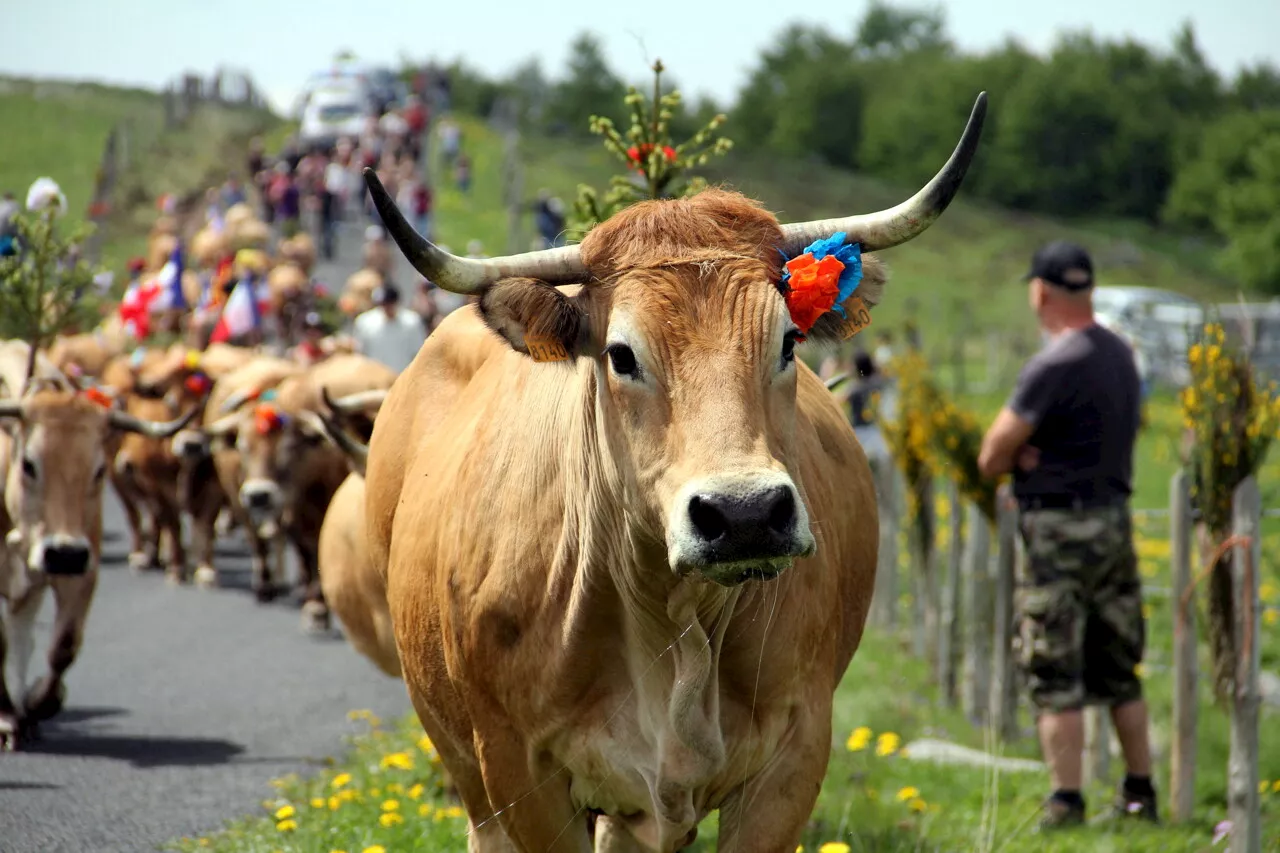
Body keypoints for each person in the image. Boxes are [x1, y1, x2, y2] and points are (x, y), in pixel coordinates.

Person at [977, 240, 1155, 829]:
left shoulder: (1054, 362)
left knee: (1056, 669)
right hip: (1113, 520)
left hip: (1056, 530)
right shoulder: (1120, 354)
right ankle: (1139, 792)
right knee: (1118, 665)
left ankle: (1067, 801)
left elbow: (991, 455)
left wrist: (1028, 455)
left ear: (1042, 291)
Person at [352, 284, 427, 374]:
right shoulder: (364, 322)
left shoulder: (411, 321)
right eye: (383, 304)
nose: (386, 308)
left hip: (402, 377)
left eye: (388, 304)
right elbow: (360, 352)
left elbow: (418, 352)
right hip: (376, 379)